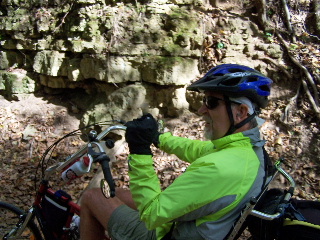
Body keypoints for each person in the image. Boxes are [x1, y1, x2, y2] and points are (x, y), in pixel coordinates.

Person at [79, 64, 273, 240]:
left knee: (92, 197)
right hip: (189, 227)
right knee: (118, 194)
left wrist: (139, 152)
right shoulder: (246, 150)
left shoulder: (222, 168)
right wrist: (157, 137)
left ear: (241, 112)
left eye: (211, 102)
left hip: (167, 235)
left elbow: (151, 214)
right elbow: (196, 149)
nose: (201, 110)